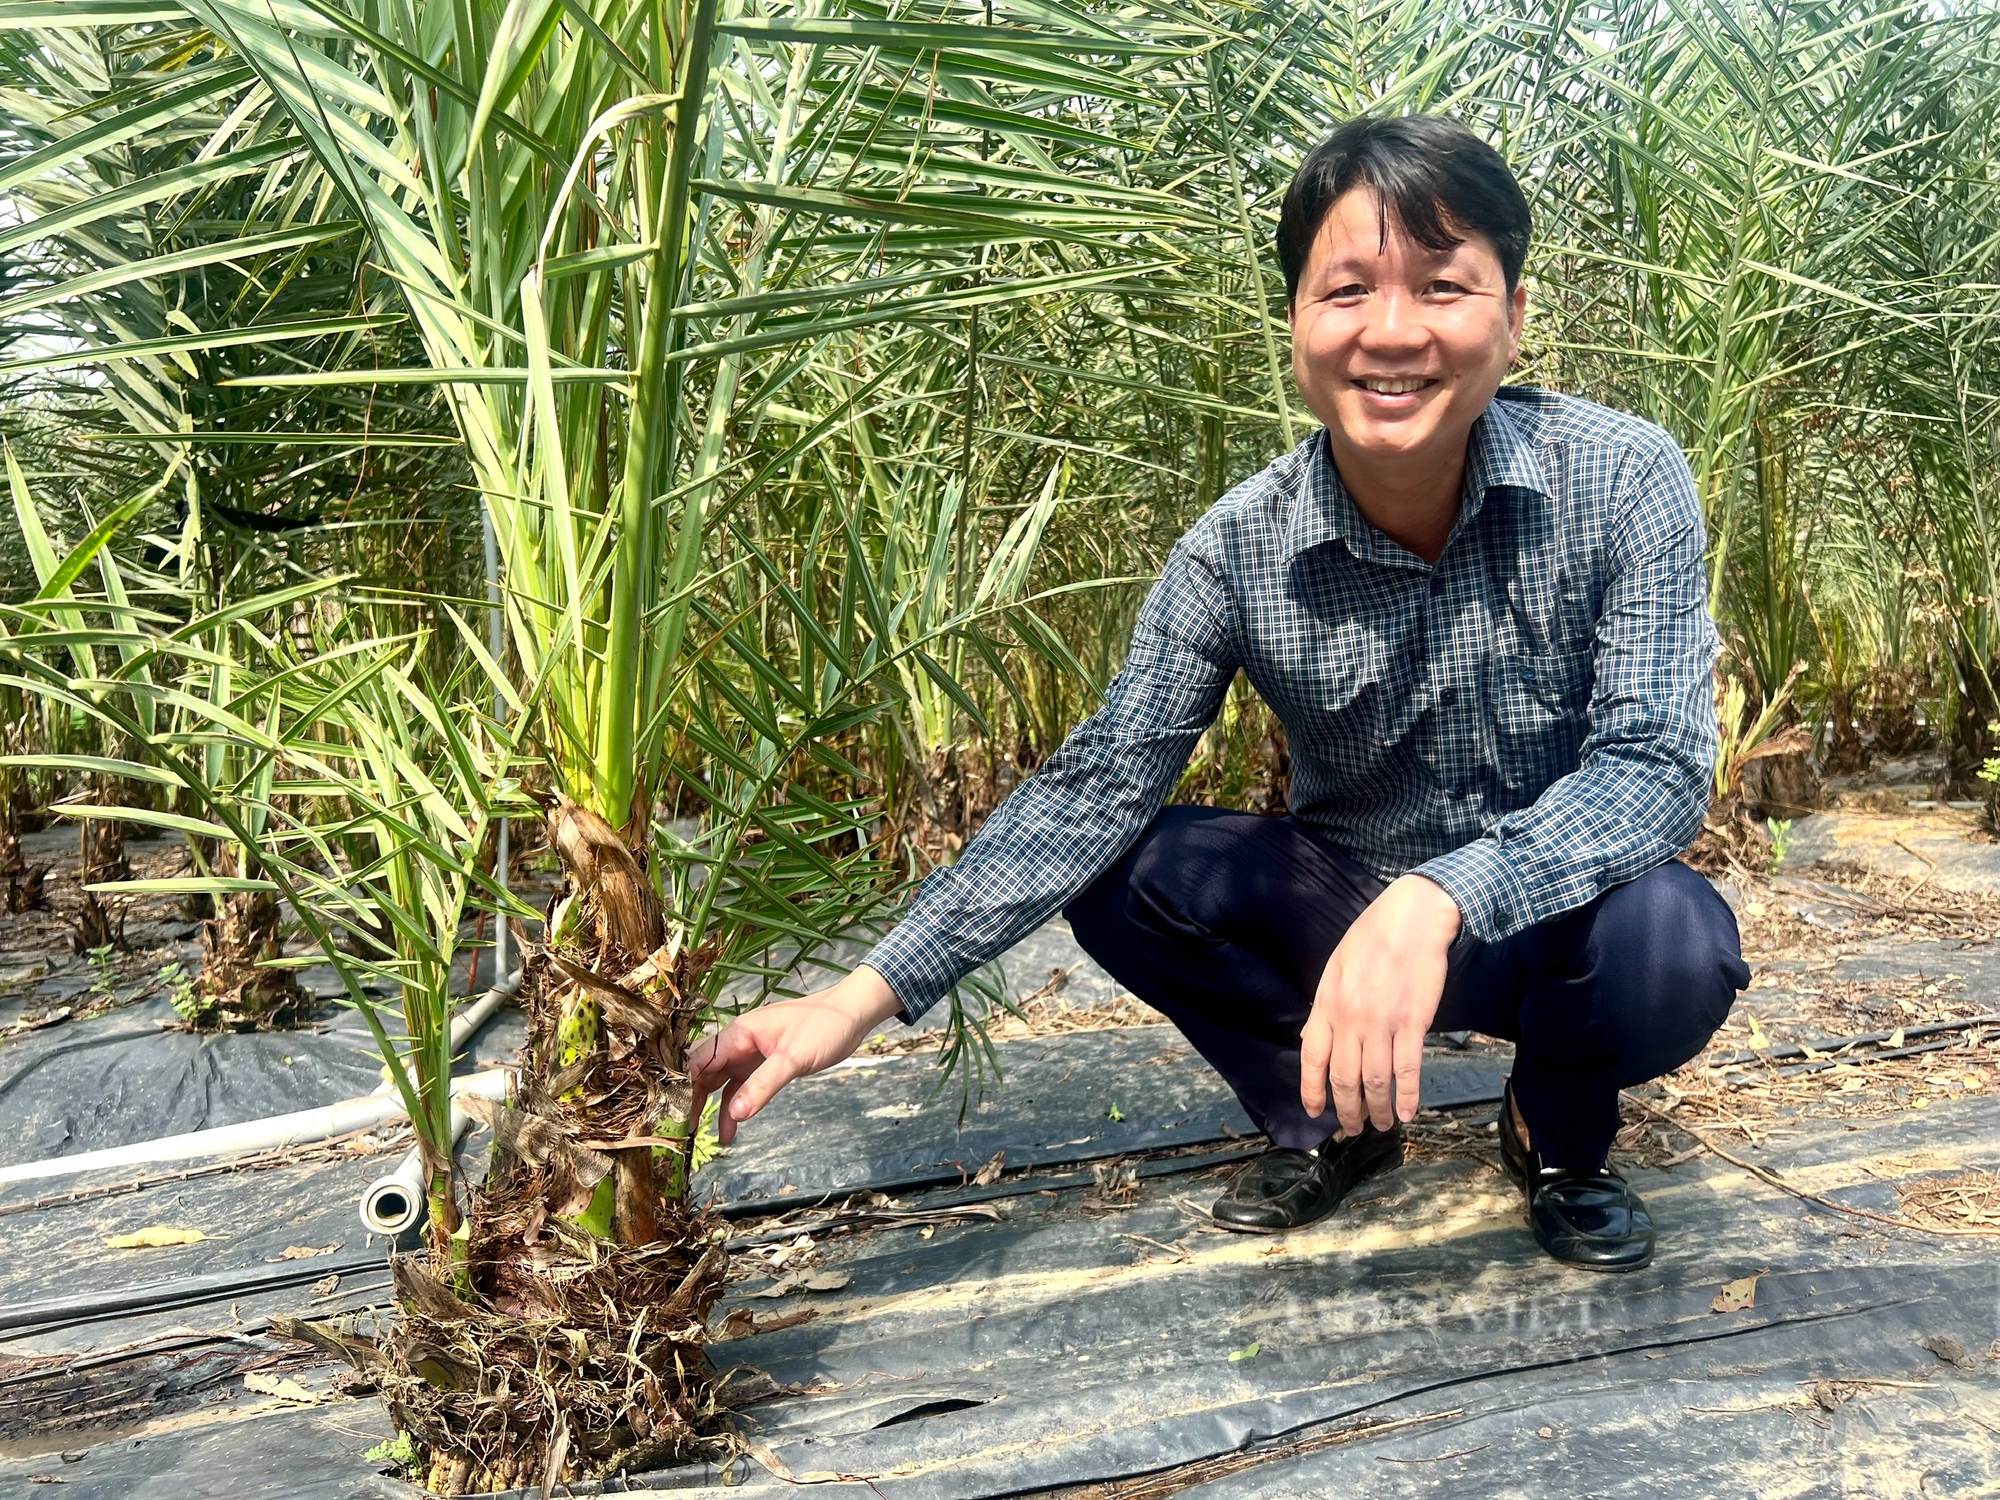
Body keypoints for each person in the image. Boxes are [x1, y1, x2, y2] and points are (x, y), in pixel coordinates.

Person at [688, 114, 1750, 1272]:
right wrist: (859, 994)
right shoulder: (1234, 551)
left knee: (1671, 946)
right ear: (1294, 322)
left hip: (1549, 910)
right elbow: (1095, 784)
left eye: (1443, 286)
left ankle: (1554, 1129)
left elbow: (1651, 768)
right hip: (1338, 905)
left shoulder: (1621, 476)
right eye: (1346, 290)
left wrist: (1440, 896)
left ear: (1512, 315)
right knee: (1128, 870)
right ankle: (1328, 1120)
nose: (1391, 333)